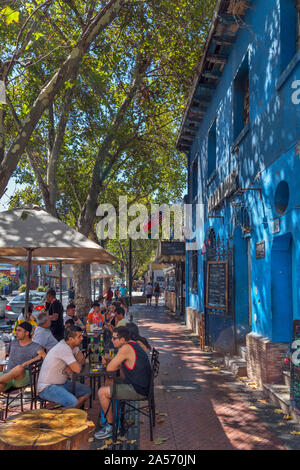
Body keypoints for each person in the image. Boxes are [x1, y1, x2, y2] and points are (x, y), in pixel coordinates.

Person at [94, 326, 152, 439]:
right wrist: (116, 362)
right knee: (109, 382)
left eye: (114, 338)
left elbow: (110, 368)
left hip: (138, 390)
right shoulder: (132, 344)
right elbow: (124, 371)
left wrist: (110, 362)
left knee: (102, 392)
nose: (111, 340)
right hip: (141, 385)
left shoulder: (125, 348)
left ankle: (111, 426)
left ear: (122, 340)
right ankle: (111, 418)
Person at [37, 325, 91, 409]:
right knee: (73, 402)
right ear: (70, 339)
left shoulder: (72, 346)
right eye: (79, 336)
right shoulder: (64, 348)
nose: (82, 338)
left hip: (61, 383)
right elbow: (77, 370)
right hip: (47, 387)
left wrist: (72, 366)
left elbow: (82, 360)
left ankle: (68, 413)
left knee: (87, 391)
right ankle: (59, 418)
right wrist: (74, 366)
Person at [0, 322, 45, 393]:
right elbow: (4, 353)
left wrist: (26, 363)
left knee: (19, 368)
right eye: (16, 330)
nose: (16, 333)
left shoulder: (35, 346)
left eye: (19, 330)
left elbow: (43, 356)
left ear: (27, 333)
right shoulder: (14, 342)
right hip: (7, 376)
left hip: (22, 376)